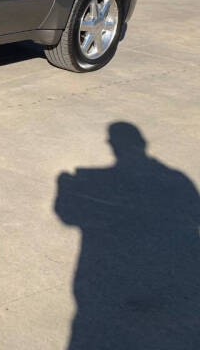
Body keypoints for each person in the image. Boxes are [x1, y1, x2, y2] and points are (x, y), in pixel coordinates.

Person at [55, 122, 200, 349]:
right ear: (142, 144)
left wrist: (63, 184)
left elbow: (67, 214)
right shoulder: (177, 179)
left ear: (114, 145)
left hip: (111, 285)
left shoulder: (99, 183)